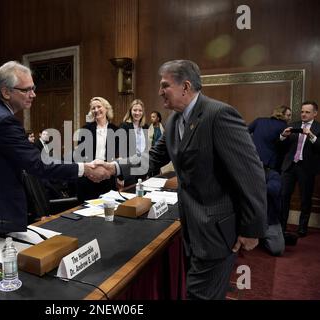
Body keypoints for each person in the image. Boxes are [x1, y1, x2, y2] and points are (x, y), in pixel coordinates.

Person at [103, 60, 267, 299]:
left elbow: (251, 174)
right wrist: (114, 166)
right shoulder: (172, 122)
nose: (159, 92)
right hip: (191, 229)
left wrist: (252, 229)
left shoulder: (218, 115)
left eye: (164, 85)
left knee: (199, 296)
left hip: (217, 233)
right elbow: (152, 158)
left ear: (185, 86)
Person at [0, 61, 108, 248]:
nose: (33, 94)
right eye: (26, 90)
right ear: (6, 92)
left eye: (33, 88)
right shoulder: (2, 120)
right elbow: (38, 163)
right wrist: (85, 169)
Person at [279, 101, 320, 236]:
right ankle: (282, 225)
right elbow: (281, 147)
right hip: (289, 166)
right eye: (302, 111)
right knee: (284, 196)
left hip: (306, 168)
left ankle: (302, 228)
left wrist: (311, 136)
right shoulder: (292, 125)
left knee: (305, 199)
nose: (303, 114)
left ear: (315, 113)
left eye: (307, 112)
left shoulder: (318, 128)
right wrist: (283, 136)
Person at [75, 97, 119, 202]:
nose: (96, 110)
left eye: (99, 106)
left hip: (107, 177)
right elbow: (80, 155)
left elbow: (118, 155)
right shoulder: (85, 130)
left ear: (106, 109)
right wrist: (91, 171)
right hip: (89, 177)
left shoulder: (116, 130)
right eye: (93, 108)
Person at [248, 105, 292, 171]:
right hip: (271, 164)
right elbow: (285, 149)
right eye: (288, 115)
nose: (290, 118)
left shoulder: (259, 120)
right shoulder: (285, 127)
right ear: (281, 114)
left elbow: (244, 132)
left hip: (252, 158)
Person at [118, 99, 149, 187]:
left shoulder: (145, 126)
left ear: (143, 112)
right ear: (130, 111)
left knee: (142, 191)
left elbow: (146, 148)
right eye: (134, 110)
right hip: (130, 166)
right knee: (130, 191)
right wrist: (121, 173)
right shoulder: (124, 126)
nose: (137, 113)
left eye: (140, 110)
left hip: (142, 164)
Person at [262, 168, 285, 256]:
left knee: (277, 250)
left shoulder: (272, 175)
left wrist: (253, 184)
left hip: (268, 221)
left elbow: (274, 189)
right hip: (247, 220)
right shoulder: (242, 172)